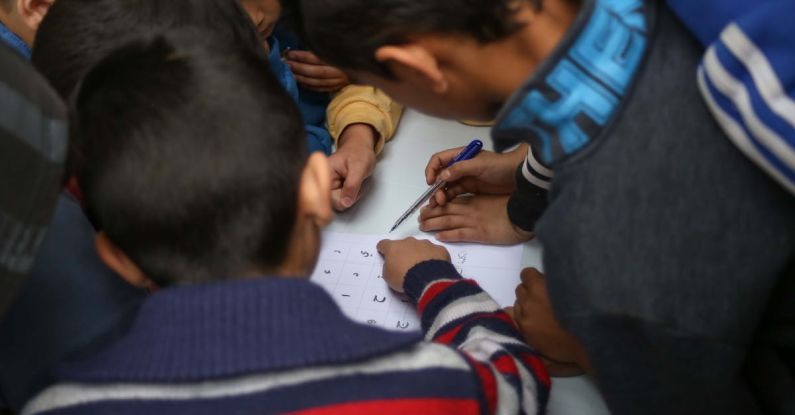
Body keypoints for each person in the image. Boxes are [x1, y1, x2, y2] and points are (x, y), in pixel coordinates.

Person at [285, 0, 795, 413]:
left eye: (387, 86)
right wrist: (525, 177)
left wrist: (595, 345)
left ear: (417, 67)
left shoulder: (608, 270)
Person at [22, 31, 549, 415]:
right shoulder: (422, 387)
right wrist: (435, 280)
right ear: (318, 190)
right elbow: (516, 377)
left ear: (116, 256)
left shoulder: (58, 405)